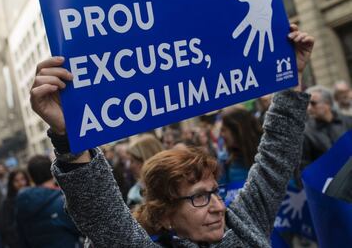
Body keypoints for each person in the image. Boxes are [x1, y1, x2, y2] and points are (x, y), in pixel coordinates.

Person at [29, 24, 314, 247]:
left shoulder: (245, 224)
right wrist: (69, 135)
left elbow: (275, 158)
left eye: (215, 192)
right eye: (199, 197)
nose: (218, 207)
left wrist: (292, 82)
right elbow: (102, 213)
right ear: (164, 216)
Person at [15, 155, 83, 248]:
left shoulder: (22, 202)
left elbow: (21, 238)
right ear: (52, 170)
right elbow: (81, 230)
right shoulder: (62, 201)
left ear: (30, 177)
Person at [302, 85, 352, 168]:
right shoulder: (306, 133)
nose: (309, 108)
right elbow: (304, 166)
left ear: (328, 104)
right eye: (307, 104)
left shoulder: (348, 121)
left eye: (313, 103)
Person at [219, 106, 263, 183]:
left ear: (237, 130)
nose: (221, 134)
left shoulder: (268, 154)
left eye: (224, 130)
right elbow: (223, 192)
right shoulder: (225, 162)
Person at [126, 134, 164, 208]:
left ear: (146, 159)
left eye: (132, 161)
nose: (130, 166)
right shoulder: (134, 195)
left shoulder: (174, 183)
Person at [0, 169, 30, 248]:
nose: (20, 183)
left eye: (22, 179)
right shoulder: (7, 203)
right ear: (11, 183)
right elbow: (7, 228)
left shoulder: (33, 196)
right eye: (16, 181)